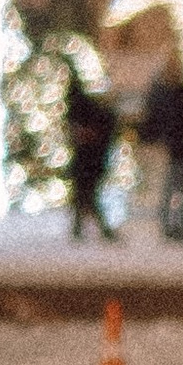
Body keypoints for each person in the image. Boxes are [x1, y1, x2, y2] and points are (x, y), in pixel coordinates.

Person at [142, 65, 183, 241]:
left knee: (174, 190)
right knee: (176, 190)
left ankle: (172, 226)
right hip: (178, 148)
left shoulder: (169, 96)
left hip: (177, 148)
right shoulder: (179, 96)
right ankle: (174, 226)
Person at [64, 60, 118, 241]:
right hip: (92, 159)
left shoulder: (86, 112)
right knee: (86, 196)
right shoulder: (98, 113)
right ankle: (93, 230)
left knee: (85, 195)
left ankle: (90, 230)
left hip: (88, 159)